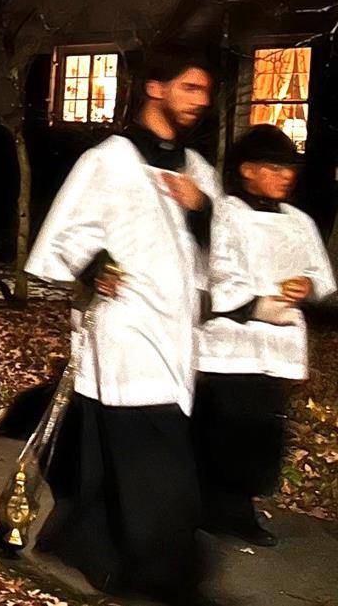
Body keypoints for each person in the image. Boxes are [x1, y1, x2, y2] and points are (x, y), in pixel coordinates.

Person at [24, 48, 222, 605]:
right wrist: (92, 268)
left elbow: (226, 252)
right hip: (125, 327)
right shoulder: (108, 160)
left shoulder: (199, 169)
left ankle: (89, 548)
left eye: (205, 92)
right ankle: (158, 573)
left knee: (121, 455)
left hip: (177, 331)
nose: (200, 102)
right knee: (155, 458)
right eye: (190, 87)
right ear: (155, 88)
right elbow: (62, 237)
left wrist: (201, 210)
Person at [195, 124, 335, 546]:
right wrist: (259, 304)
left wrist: (305, 288)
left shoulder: (299, 222)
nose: (285, 176)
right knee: (226, 425)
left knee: (263, 431)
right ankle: (212, 508)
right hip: (231, 342)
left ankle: (238, 509)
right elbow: (216, 276)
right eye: (273, 167)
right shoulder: (226, 214)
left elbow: (319, 277)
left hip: (278, 345)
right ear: (248, 170)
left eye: (289, 168)